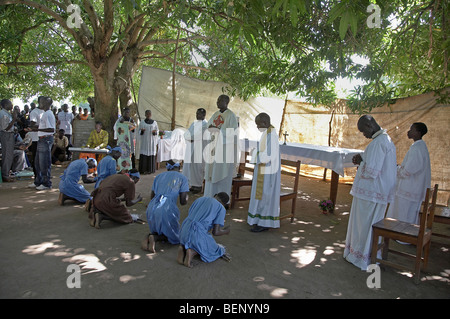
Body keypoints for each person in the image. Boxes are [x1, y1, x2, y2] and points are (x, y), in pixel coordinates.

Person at [343, 115, 397, 270]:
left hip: (370, 193)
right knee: (368, 225)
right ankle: (366, 254)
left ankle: (360, 256)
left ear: (369, 125)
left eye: (363, 131)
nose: (363, 135)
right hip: (374, 193)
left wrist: (361, 161)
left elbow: (372, 172)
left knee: (364, 225)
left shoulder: (379, 143)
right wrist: (362, 158)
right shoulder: (383, 140)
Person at [386, 122, 431, 224]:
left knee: (405, 214)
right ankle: (400, 234)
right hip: (411, 188)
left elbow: (409, 170)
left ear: (418, 133)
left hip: (410, 188)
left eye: (412, 130)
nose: (408, 132)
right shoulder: (418, 146)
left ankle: (404, 237)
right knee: (406, 213)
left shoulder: (418, 148)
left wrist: (397, 168)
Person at [141, 160, 189, 253]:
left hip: (152, 206)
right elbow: (183, 201)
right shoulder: (182, 178)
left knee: (158, 226)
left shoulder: (158, 176)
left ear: (167, 168)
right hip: (166, 207)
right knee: (175, 236)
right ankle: (155, 238)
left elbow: (152, 196)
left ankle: (150, 236)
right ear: (179, 168)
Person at [247, 113, 281, 232]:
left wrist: (254, 153)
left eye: (258, 124)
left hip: (268, 172)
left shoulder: (271, 136)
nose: (257, 127)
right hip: (263, 169)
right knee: (261, 195)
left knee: (265, 195)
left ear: (265, 123)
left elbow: (268, 156)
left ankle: (264, 223)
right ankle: (258, 219)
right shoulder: (267, 133)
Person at [178, 192, 231, 268]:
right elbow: (216, 232)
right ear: (224, 204)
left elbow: (191, 214)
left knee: (194, 237)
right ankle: (192, 252)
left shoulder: (200, 199)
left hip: (183, 230)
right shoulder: (221, 208)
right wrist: (226, 231)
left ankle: (182, 248)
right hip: (196, 234)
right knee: (214, 249)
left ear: (215, 195)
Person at [203, 95, 239, 203]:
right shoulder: (216, 114)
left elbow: (232, 134)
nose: (217, 102)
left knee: (222, 177)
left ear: (226, 102)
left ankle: (222, 201)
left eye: (220, 100)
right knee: (211, 175)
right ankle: (209, 198)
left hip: (223, 152)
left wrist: (218, 131)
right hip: (213, 149)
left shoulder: (231, 116)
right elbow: (208, 127)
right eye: (217, 100)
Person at [28, 96, 56, 190]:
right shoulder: (45, 113)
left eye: (43, 102)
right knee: (37, 163)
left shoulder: (48, 114)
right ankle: (38, 181)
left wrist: (37, 128)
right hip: (41, 139)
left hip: (46, 140)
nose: (41, 103)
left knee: (44, 163)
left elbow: (51, 129)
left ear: (47, 103)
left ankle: (46, 183)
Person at [183, 108, 208, 193]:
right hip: (191, 147)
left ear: (204, 115)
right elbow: (186, 133)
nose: (197, 115)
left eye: (199, 114)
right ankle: (192, 184)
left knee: (198, 167)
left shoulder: (205, 124)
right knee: (190, 167)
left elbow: (198, 135)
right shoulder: (194, 123)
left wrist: (191, 138)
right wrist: (189, 137)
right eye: (196, 113)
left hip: (199, 149)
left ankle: (198, 186)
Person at [0, 99, 19, 182]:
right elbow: (5, 128)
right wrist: (14, 119)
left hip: (9, 135)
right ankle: (5, 175)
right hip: (6, 135)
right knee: (7, 155)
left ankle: (7, 173)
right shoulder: (3, 114)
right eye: (9, 104)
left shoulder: (7, 113)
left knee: (9, 154)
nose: (12, 105)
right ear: (5, 105)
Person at [28, 97, 45, 177]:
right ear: (39, 102)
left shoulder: (46, 111)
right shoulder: (34, 112)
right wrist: (44, 127)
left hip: (45, 138)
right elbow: (32, 125)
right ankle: (37, 177)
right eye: (43, 101)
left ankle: (42, 175)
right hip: (36, 138)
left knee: (43, 159)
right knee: (36, 158)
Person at [138, 109, 158, 174]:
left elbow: (157, 131)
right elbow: (138, 131)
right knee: (144, 154)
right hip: (144, 141)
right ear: (145, 115)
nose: (148, 115)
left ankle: (151, 169)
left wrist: (155, 132)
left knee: (151, 154)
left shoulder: (154, 123)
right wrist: (142, 131)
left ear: (151, 115)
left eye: (149, 114)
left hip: (151, 141)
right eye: (147, 114)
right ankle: (143, 169)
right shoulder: (142, 122)